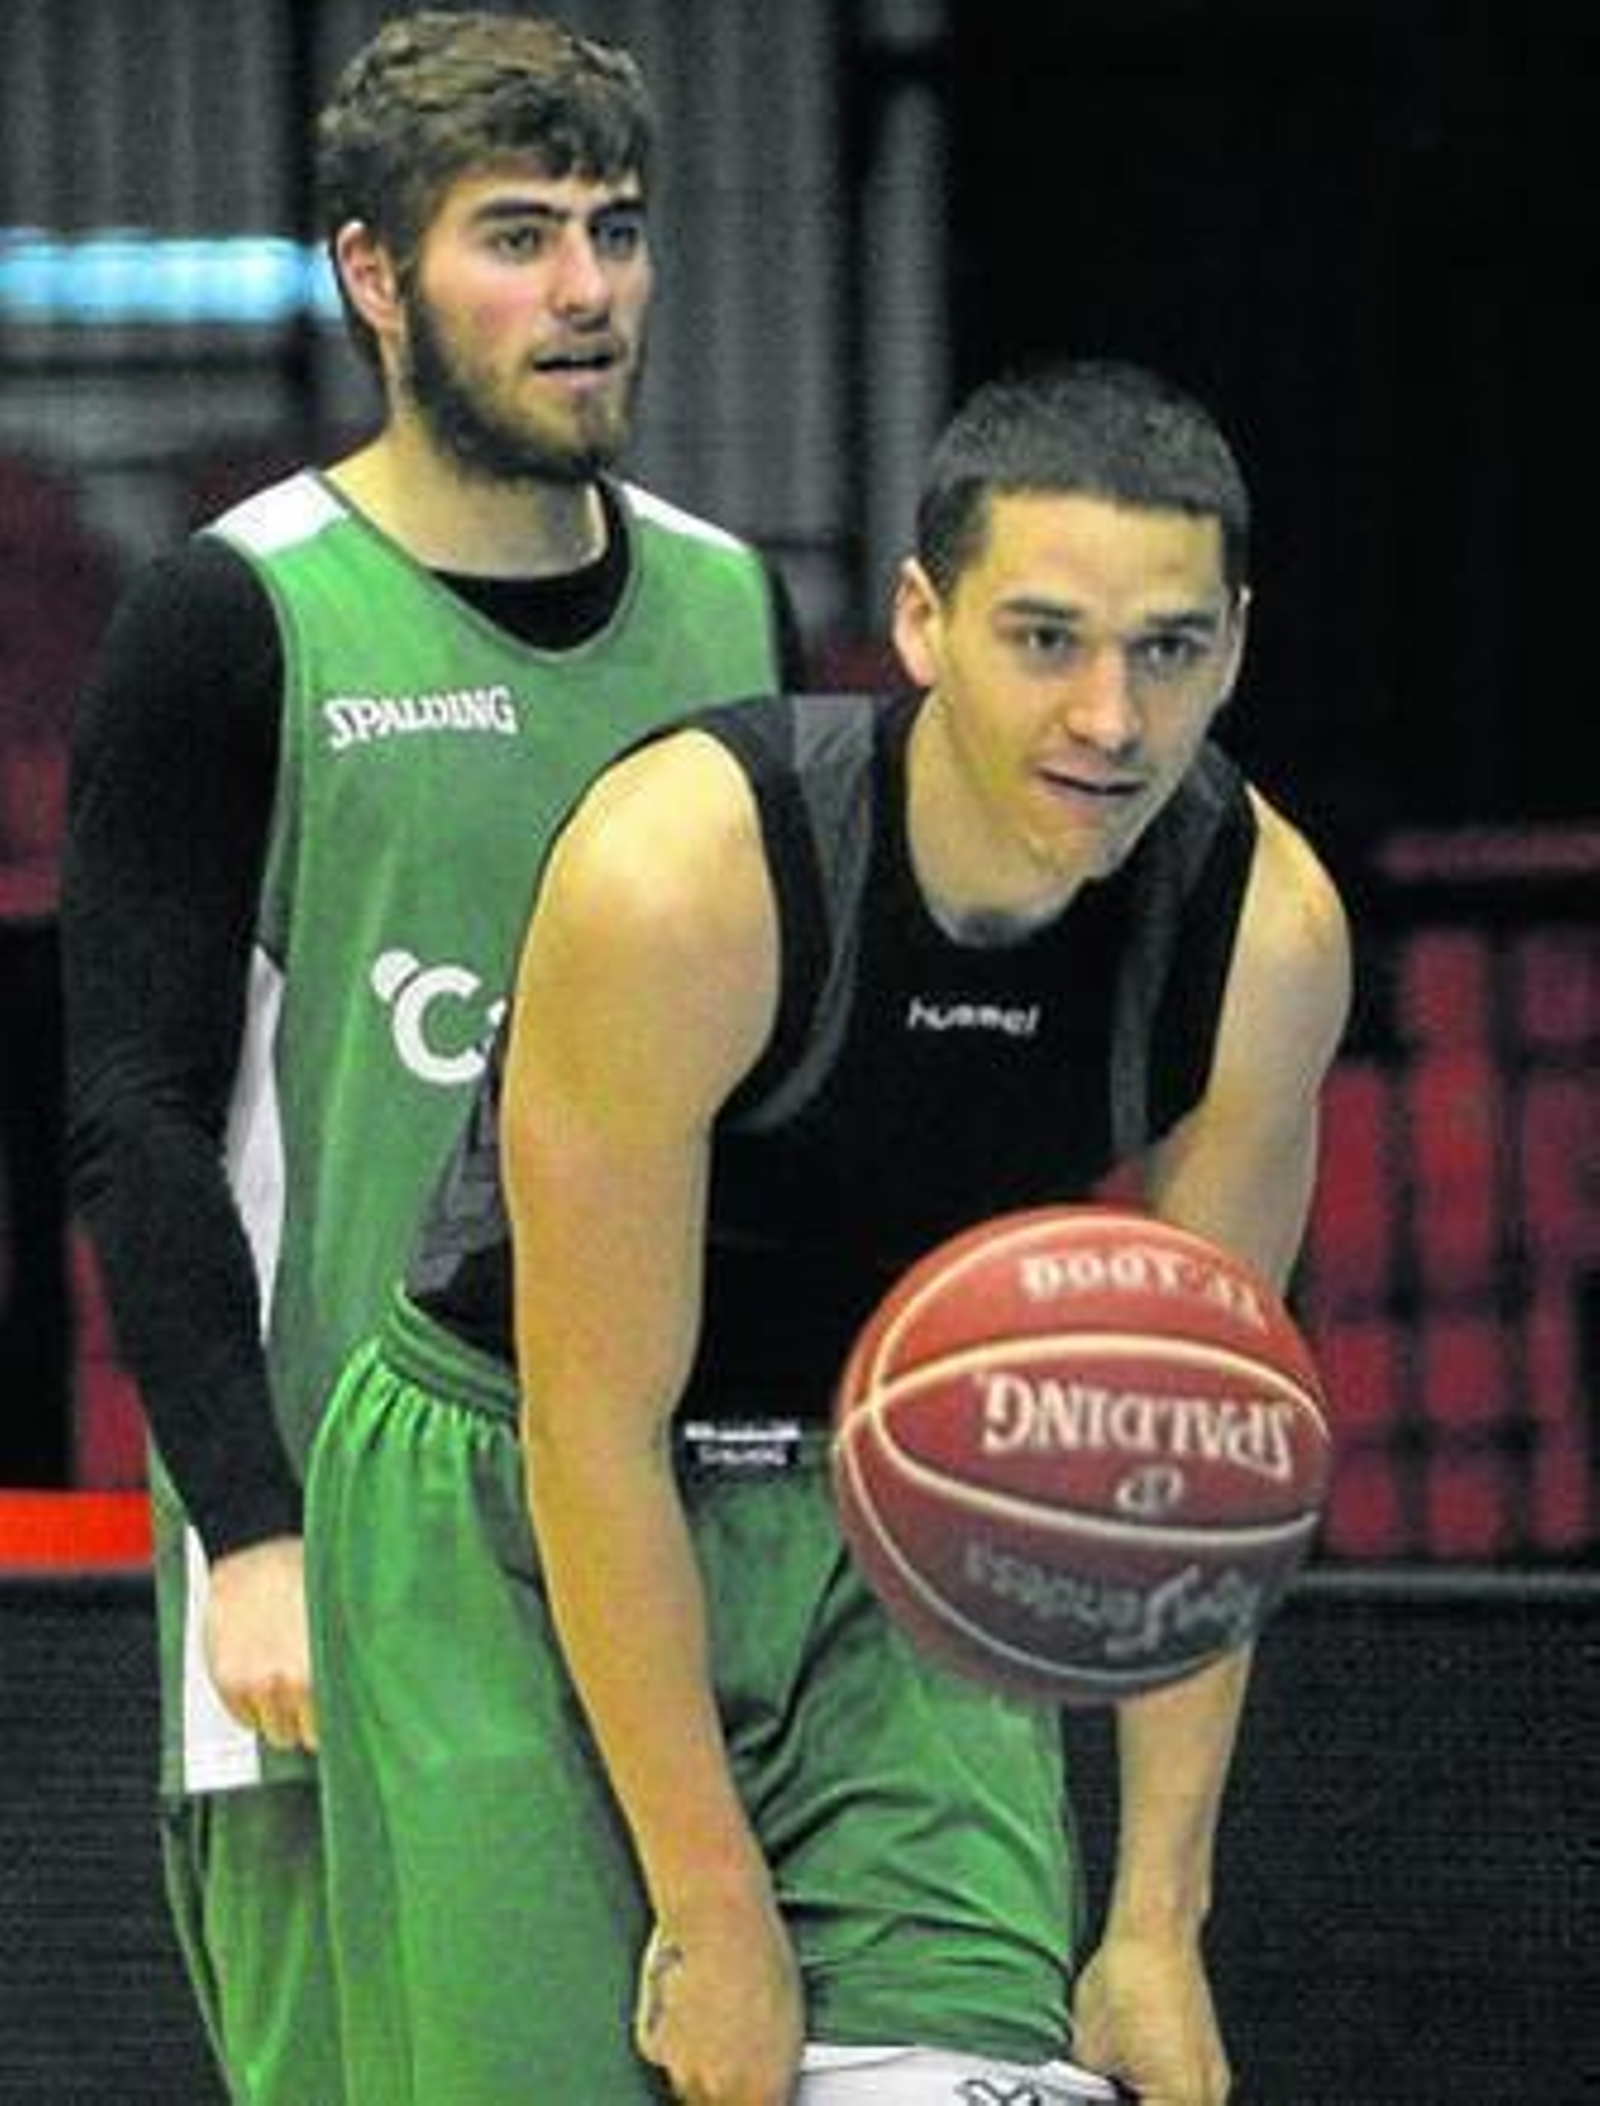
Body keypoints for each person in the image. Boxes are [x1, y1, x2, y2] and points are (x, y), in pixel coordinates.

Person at [307, 357, 1351, 2104]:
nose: (1110, 716)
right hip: (513, 1488)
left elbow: (1195, 1464)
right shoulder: (684, 877)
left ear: (1235, 647)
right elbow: (595, 1426)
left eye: (1168, 648)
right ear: (922, 623)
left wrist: (1157, 1922)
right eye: (1046, 640)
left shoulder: (1264, 937)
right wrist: (715, 1907)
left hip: (893, 1499)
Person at [61, 11, 797, 2101]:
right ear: (373, 275)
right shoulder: (235, 615)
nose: (585, 289)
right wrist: (252, 1531)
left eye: (616, 229)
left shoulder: (730, 608)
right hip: (347, 1573)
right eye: (517, 234)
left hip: (677, 1574)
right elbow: (135, 1118)